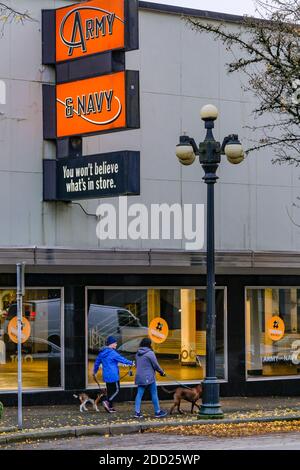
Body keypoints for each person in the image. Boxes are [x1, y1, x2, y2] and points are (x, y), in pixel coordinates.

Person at [93, 335, 133, 413]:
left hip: (106, 376)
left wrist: (94, 372)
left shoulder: (102, 353)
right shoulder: (112, 352)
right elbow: (122, 359)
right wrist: (130, 362)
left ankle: (110, 407)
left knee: (110, 391)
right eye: (115, 343)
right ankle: (107, 401)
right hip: (113, 376)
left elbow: (96, 363)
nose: (116, 344)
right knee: (117, 390)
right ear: (111, 344)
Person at [134, 337, 167, 418]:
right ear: (149, 344)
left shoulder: (137, 353)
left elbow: (137, 365)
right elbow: (156, 365)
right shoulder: (150, 353)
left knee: (139, 394)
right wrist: (162, 372)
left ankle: (137, 412)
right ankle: (157, 412)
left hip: (139, 376)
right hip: (149, 377)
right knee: (154, 394)